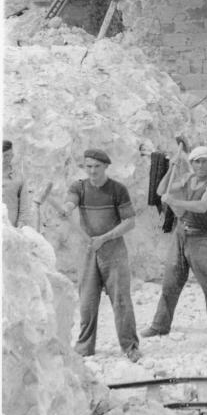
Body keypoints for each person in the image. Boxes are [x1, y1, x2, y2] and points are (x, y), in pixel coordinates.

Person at [141, 146, 207, 344]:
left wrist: (175, 201)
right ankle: (160, 326)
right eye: (196, 162)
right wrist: (170, 169)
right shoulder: (188, 179)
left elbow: (202, 206)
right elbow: (160, 190)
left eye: (204, 161)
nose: (201, 165)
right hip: (181, 235)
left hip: (202, 238)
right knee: (170, 283)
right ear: (192, 164)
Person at [62, 149, 141, 362]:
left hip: (114, 250)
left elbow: (129, 222)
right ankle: (85, 346)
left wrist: (105, 238)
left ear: (106, 167)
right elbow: (71, 200)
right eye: (88, 166)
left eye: (97, 166)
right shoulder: (79, 187)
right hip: (88, 251)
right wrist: (68, 208)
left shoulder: (117, 190)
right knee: (87, 301)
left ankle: (130, 346)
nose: (92, 171)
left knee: (121, 300)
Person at [2, 140, 32, 228]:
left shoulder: (19, 177)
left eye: (7, 155)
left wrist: (21, 225)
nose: (4, 159)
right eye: (2, 156)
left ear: (12, 155)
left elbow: (24, 206)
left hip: (10, 230)